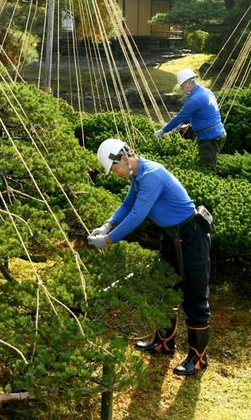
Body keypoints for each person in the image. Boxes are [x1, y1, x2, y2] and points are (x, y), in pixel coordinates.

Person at [88, 138, 212, 376]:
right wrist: (107, 225)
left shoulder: (152, 174)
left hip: (192, 236)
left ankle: (198, 359)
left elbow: (136, 215)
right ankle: (165, 343)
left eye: (114, 169)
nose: (115, 174)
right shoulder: (138, 176)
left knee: (195, 294)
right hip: (172, 236)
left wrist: (108, 241)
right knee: (165, 286)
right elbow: (127, 205)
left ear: (124, 159)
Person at [154, 69, 226, 171]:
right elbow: (199, 114)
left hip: (209, 137)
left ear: (188, 83)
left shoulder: (195, 99)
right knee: (210, 162)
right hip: (217, 133)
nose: (182, 90)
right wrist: (182, 123)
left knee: (207, 169)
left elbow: (179, 117)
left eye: (181, 86)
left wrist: (163, 131)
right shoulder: (206, 91)